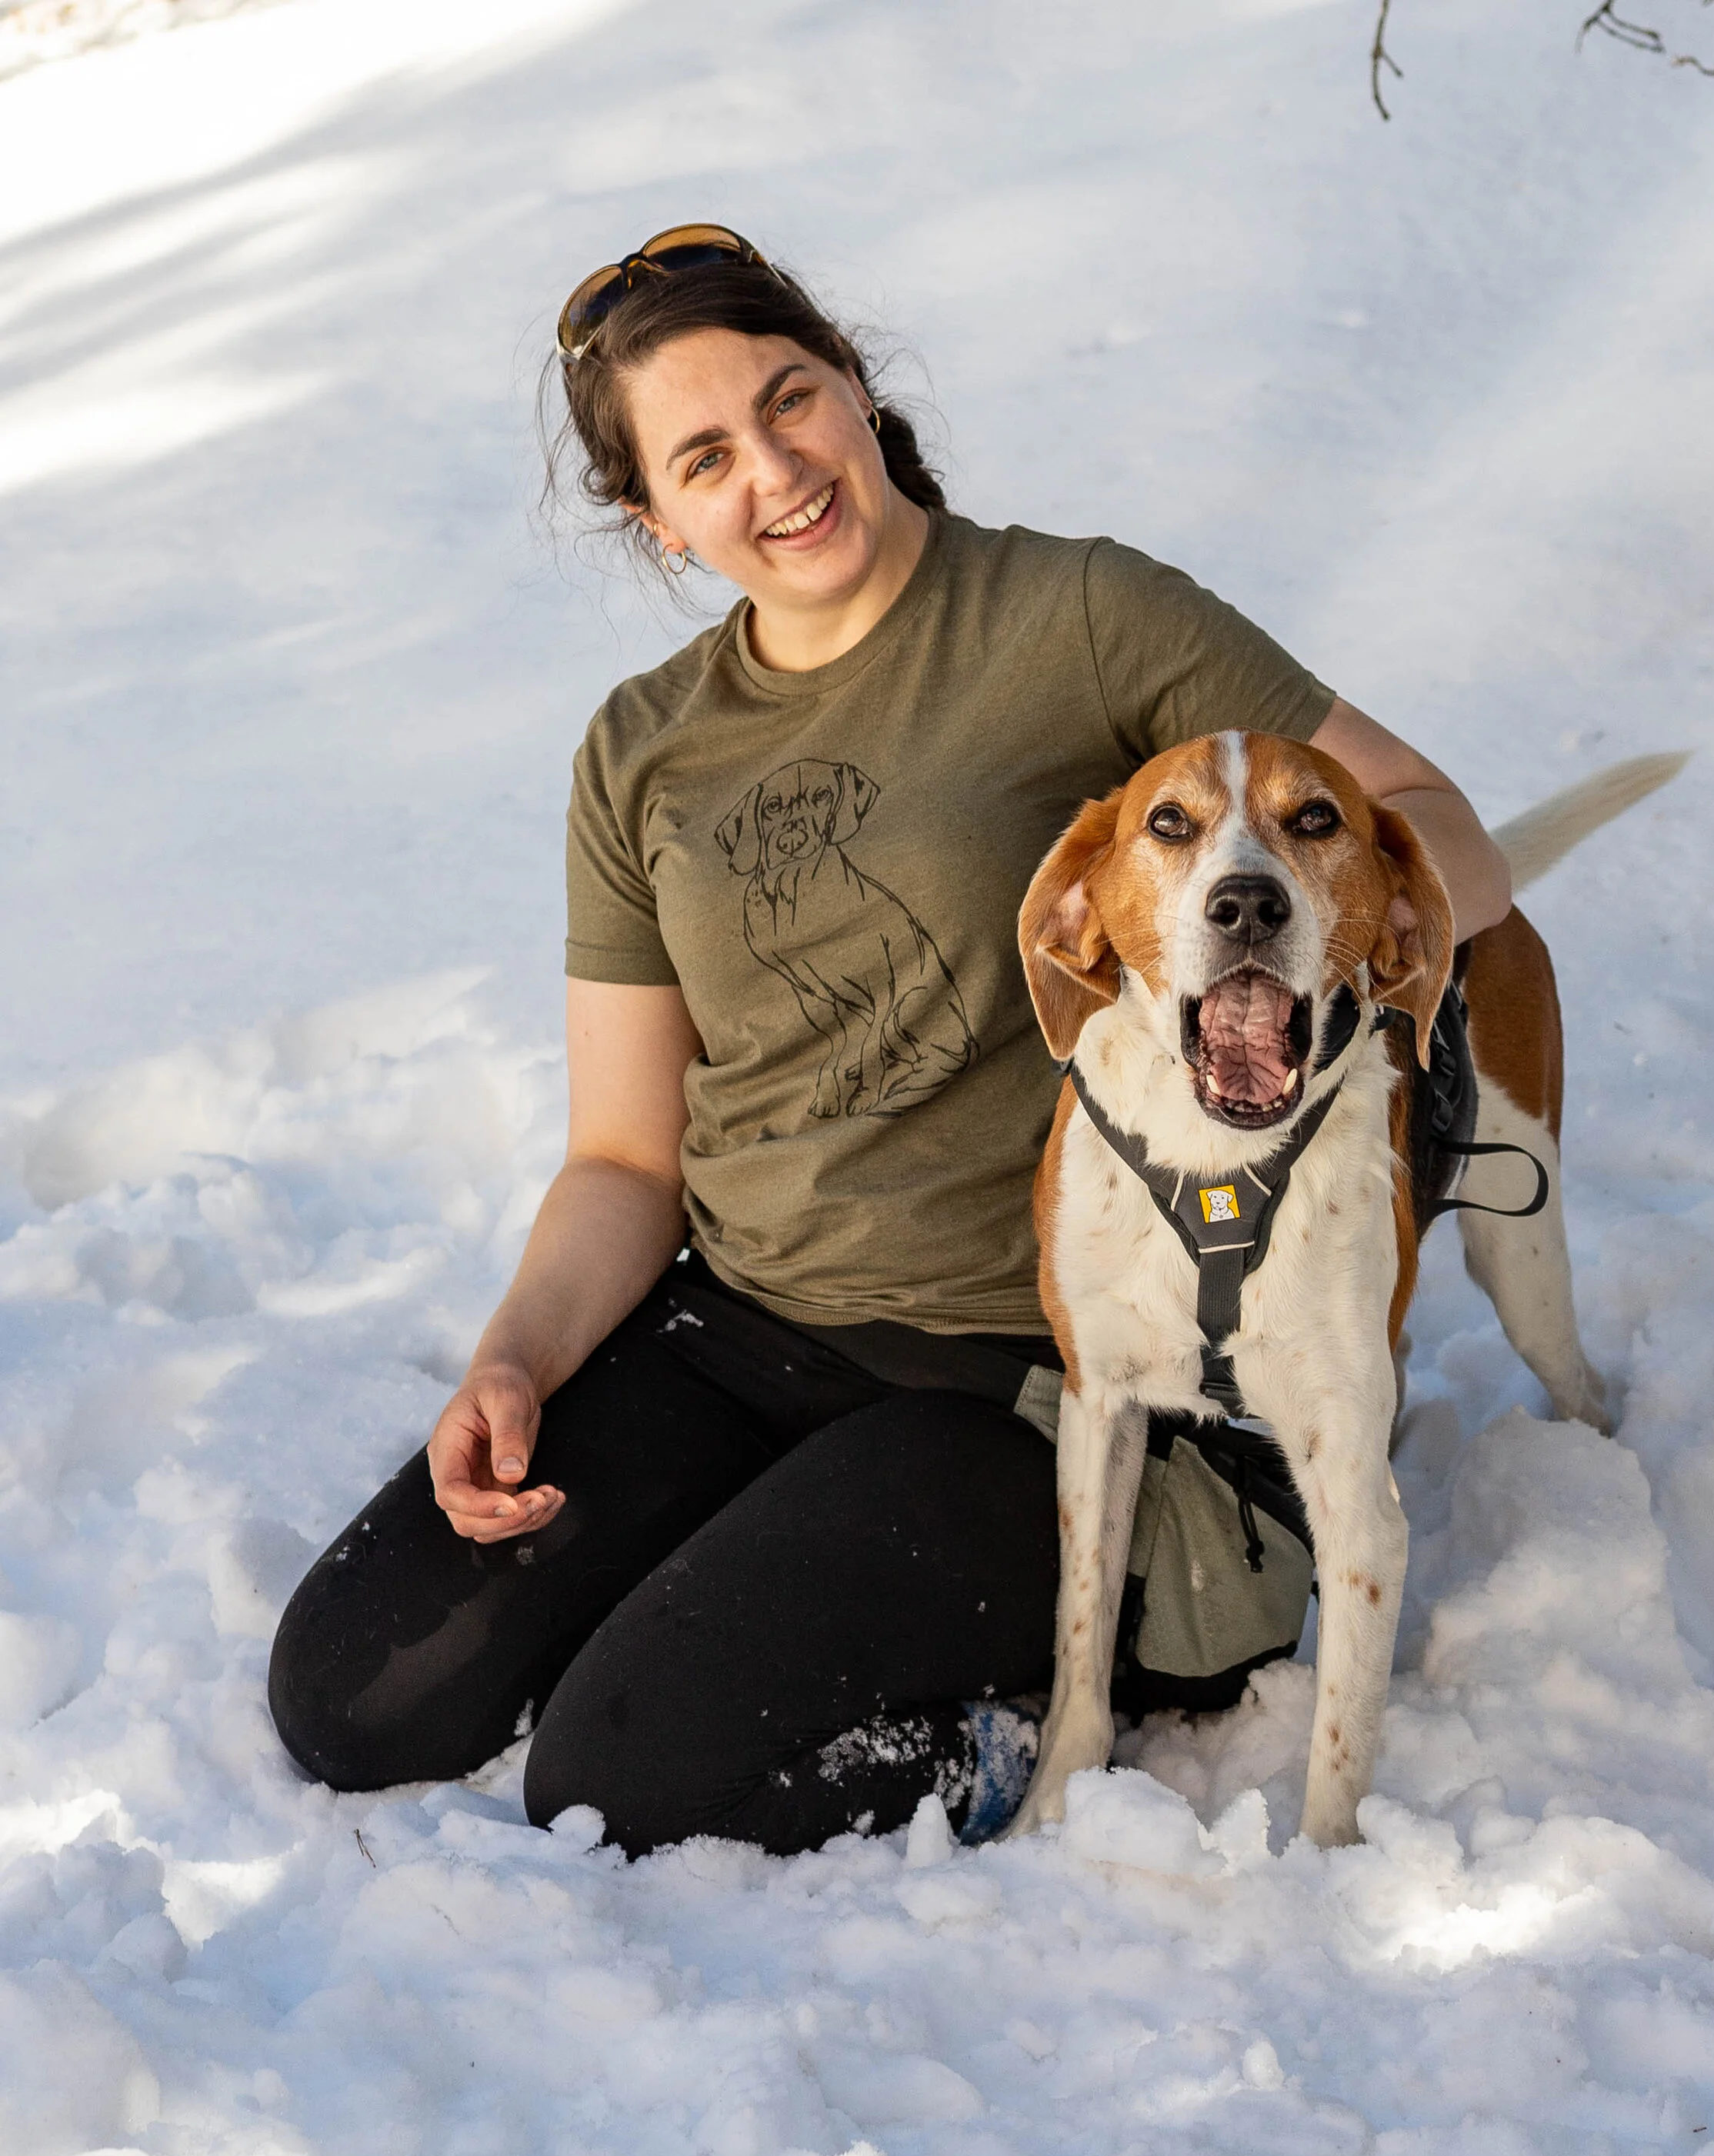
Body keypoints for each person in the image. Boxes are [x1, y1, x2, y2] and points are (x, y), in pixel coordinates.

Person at [268, 225, 1512, 1855]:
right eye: (705, 457)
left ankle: (1005, 1736)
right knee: (356, 1695)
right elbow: (626, 1157)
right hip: (738, 1330)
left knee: (623, 1777)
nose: (775, 471)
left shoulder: (1075, 614)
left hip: (1026, 1374)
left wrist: (1329, 946)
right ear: (654, 521)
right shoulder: (641, 749)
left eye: (791, 400)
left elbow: (1424, 820)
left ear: (855, 383)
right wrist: (516, 1359)